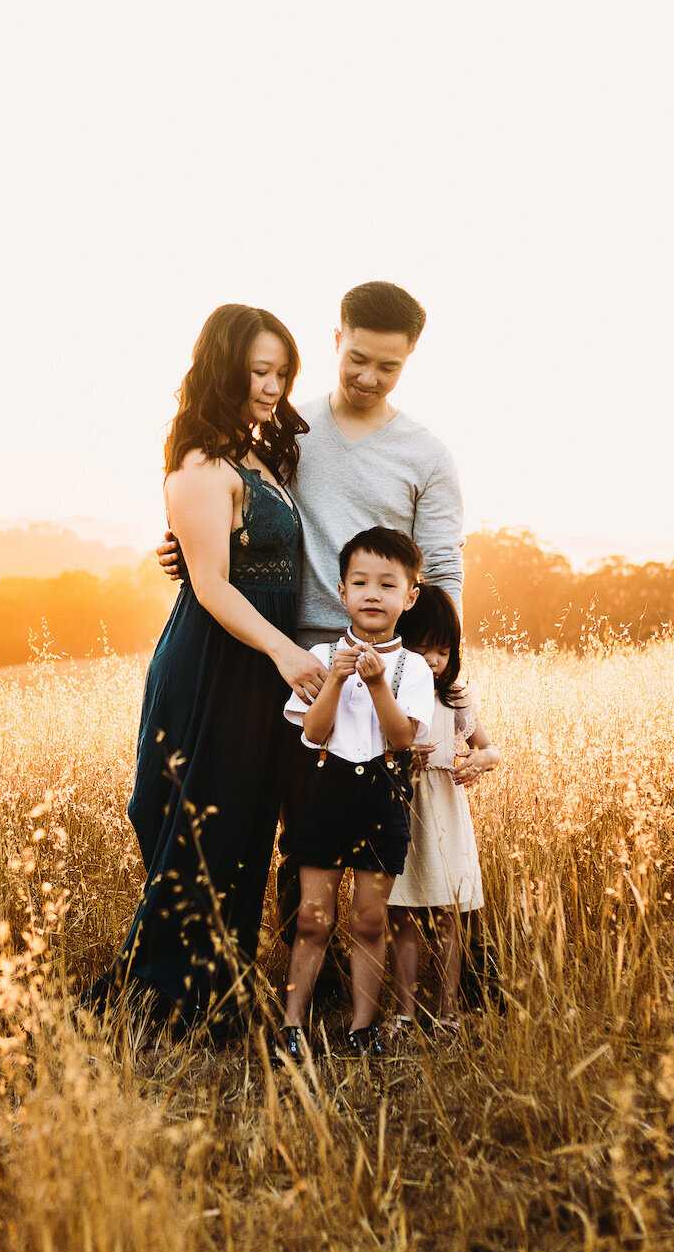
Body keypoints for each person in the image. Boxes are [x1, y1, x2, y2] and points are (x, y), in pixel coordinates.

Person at [158, 282, 465, 988]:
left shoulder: (426, 455)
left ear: (408, 361)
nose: (368, 377)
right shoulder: (288, 429)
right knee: (298, 830)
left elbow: (443, 570)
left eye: (388, 367)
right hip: (290, 661)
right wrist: (183, 551)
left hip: (385, 666)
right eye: (357, 358)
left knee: (385, 837)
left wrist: (441, 678)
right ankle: (304, 983)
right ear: (335, 340)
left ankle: (385, 990)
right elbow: (237, 508)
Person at [83, 304, 326, 1039]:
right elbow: (213, 585)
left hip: (254, 664)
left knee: (245, 825)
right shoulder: (198, 464)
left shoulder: (257, 454)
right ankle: (166, 998)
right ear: (224, 369)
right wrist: (284, 650)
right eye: (259, 372)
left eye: (282, 374)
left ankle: (222, 987)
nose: (272, 387)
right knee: (202, 826)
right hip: (216, 661)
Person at [276, 527, 436, 1059]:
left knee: (368, 919)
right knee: (312, 917)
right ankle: (292, 1025)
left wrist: (377, 684)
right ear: (342, 591)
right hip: (326, 791)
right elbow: (313, 732)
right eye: (361, 583)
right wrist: (337, 680)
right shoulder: (322, 654)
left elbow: (402, 739)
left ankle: (362, 1026)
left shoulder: (414, 668)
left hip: (384, 795)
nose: (373, 595)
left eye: (388, 585)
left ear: (409, 597)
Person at [387, 586, 499, 1037]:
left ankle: (447, 1012)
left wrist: (480, 760)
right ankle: (403, 1013)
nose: (432, 661)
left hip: (446, 814)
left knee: (448, 915)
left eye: (443, 651)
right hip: (400, 810)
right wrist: (398, 756)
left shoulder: (455, 697)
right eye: (421, 649)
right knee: (401, 915)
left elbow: (490, 749)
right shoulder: (390, 692)